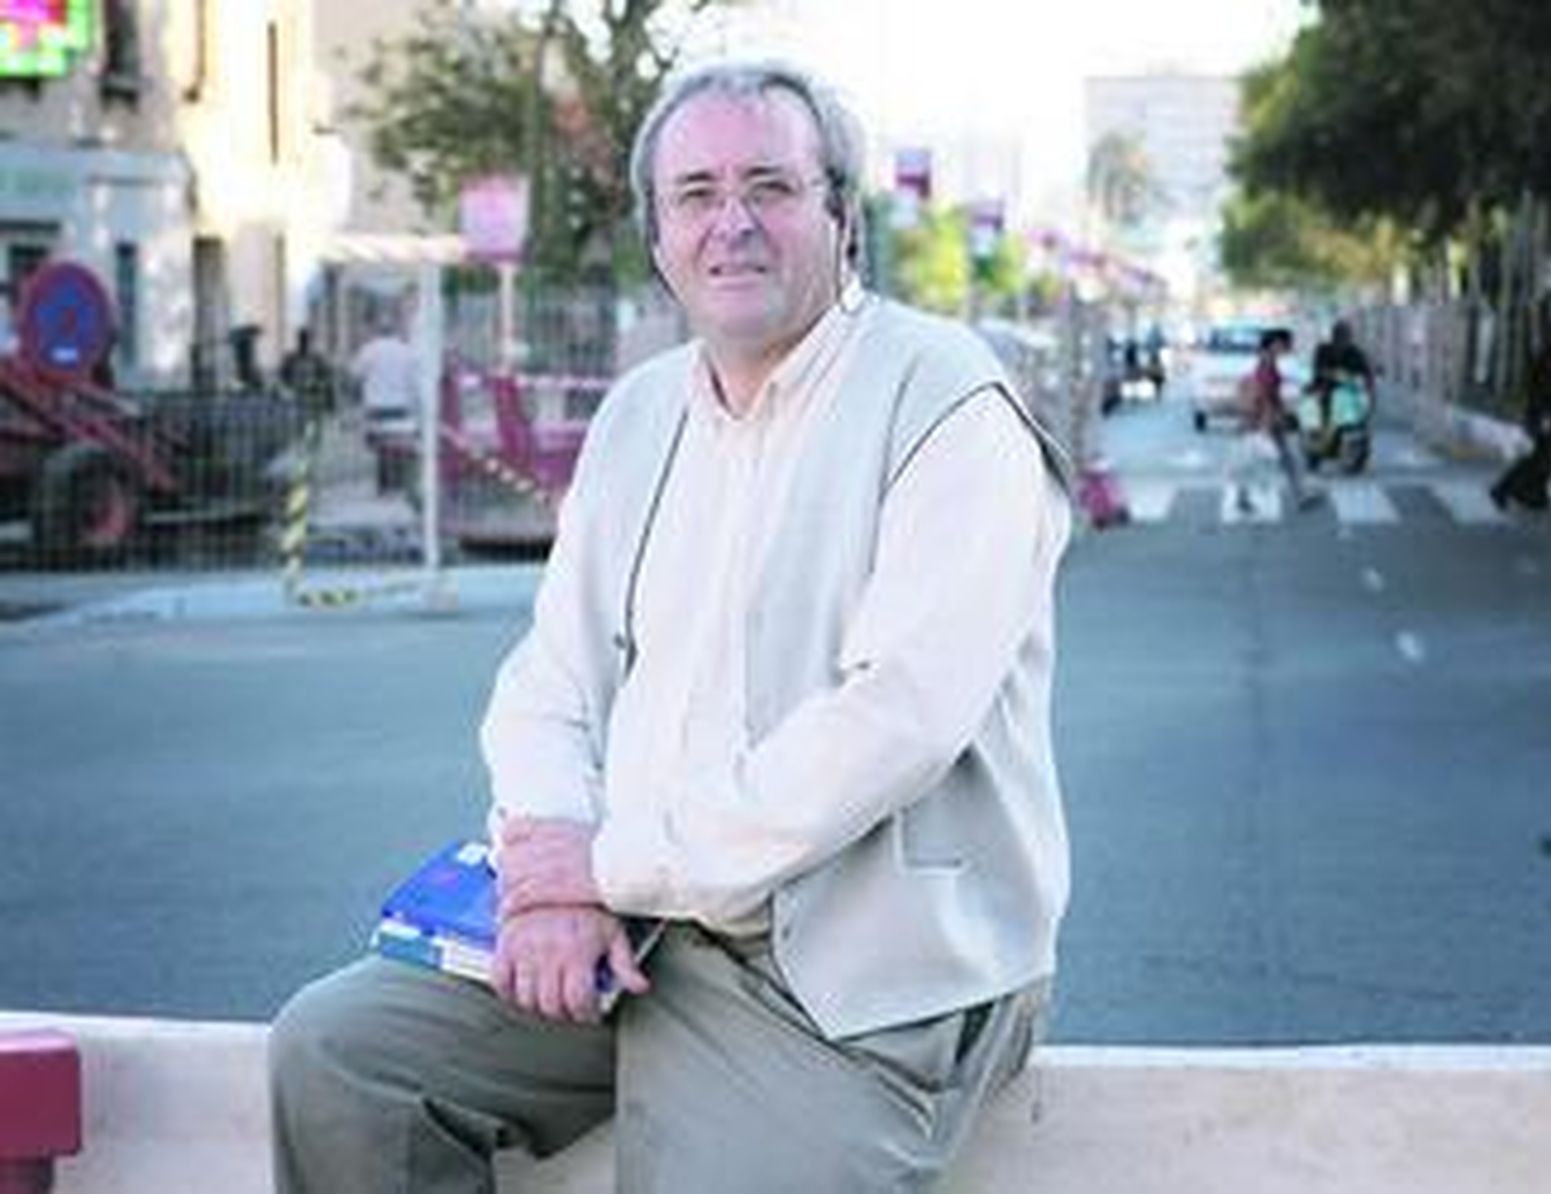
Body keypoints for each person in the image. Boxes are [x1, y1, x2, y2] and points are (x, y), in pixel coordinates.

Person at [269, 59, 1074, 1194]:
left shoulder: (946, 402)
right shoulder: (642, 412)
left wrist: (606, 863)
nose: (730, 224)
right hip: (634, 926)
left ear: (840, 216)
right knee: (341, 1058)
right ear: (656, 236)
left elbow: (896, 720)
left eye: (770, 187)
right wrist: (555, 877)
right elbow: (551, 680)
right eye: (695, 195)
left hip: (853, 973)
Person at [1490, 321, 1551, 518]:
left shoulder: (1549, 358)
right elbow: (1545, 393)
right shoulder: (1547, 360)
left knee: (1543, 460)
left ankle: (1527, 495)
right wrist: (1545, 418)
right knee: (1548, 460)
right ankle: (1503, 490)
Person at [1230, 327, 1315, 515]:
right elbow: (1265, 392)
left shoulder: (1268, 360)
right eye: (1285, 344)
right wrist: (1269, 419)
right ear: (1275, 343)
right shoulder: (1267, 361)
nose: (1287, 348)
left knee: (1280, 458)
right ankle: (1299, 495)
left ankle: (1300, 495)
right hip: (1265, 417)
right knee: (1262, 459)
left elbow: (1270, 387)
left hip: (1266, 416)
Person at [348, 318, 420, 492]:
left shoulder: (369, 350)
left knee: (381, 446)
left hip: (376, 405)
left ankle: (384, 482)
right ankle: (399, 481)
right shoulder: (406, 350)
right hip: (400, 405)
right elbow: (414, 377)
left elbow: (355, 373)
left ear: (377, 331)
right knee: (400, 444)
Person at [1309, 318, 1375, 444]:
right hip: (1324, 387)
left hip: (1348, 390)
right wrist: (1330, 374)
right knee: (1322, 404)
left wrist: (1370, 390)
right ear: (1333, 336)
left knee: (1360, 410)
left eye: (1346, 336)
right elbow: (1318, 368)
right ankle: (1319, 438)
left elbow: (1367, 372)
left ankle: (1358, 437)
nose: (1343, 339)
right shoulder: (1323, 350)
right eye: (1339, 335)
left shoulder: (1356, 352)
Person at [279, 326, 336, 417]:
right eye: (303, 339)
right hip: (298, 398)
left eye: (305, 339)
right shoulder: (292, 359)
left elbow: (326, 381)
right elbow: (283, 378)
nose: (304, 342)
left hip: (311, 398)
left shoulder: (315, 359)